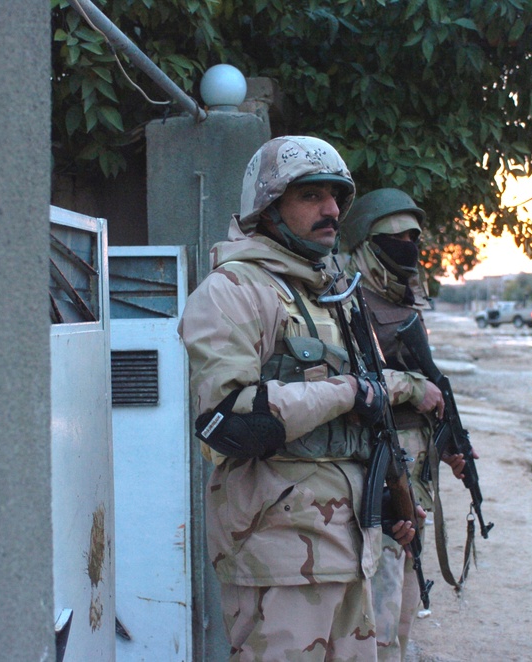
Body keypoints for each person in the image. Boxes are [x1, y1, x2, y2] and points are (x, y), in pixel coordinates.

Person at [178, 136, 440, 660]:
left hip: (352, 547)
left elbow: (370, 417)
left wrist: (385, 501)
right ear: (268, 209)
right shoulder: (235, 290)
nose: (332, 210)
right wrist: (347, 392)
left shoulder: (334, 295)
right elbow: (225, 421)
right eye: (311, 196)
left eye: (336, 196)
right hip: (278, 554)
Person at [340, 189, 462, 661]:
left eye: (415, 236)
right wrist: (411, 387)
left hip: (413, 478)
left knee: (405, 606)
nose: (409, 245)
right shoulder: (348, 304)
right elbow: (351, 383)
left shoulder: (406, 301)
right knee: (380, 611)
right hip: (375, 478)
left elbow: (432, 385)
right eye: (397, 237)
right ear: (368, 244)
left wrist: (451, 446)